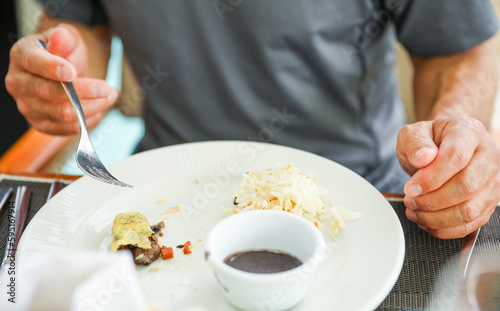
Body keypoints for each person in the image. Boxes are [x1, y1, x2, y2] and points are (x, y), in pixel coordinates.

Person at [5, 0, 500, 239]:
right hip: (166, 196)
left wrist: (453, 140)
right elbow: (79, 26)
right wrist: (62, 73)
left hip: (358, 202)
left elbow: (459, 49)